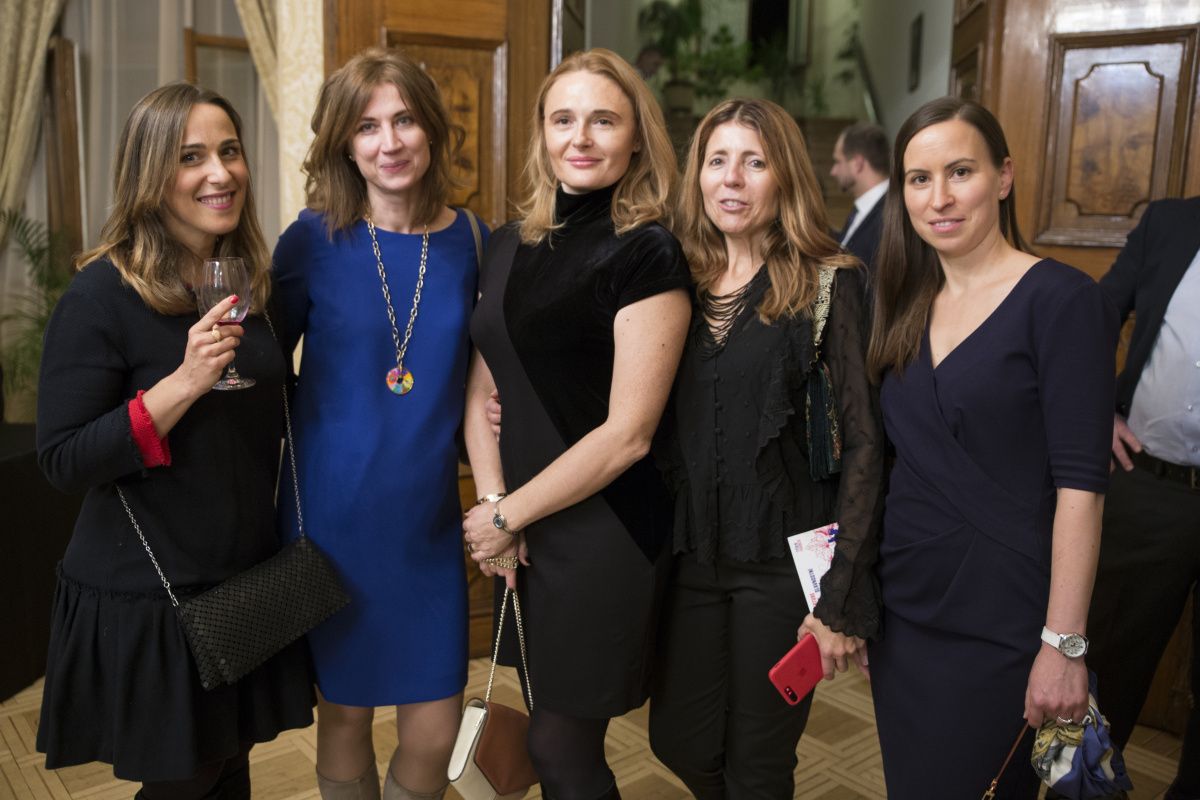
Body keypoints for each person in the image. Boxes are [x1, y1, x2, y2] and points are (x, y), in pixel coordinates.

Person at [35, 82, 314, 799]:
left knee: (230, 771)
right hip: (152, 594)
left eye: (229, 151)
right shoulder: (101, 295)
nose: (220, 173)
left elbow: (270, 411)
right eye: (191, 157)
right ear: (150, 175)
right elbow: (63, 459)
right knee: (187, 782)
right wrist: (184, 383)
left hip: (242, 578)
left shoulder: (254, 290)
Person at [866, 96, 1117, 798]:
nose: (939, 198)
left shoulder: (1062, 300)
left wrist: (1064, 646)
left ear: (1003, 177)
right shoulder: (902, 301)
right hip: (904, 614)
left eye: (961, 172)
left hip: (1004, 621)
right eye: (919, 179)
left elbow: (1082, 490)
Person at [460, 48, 691, 800]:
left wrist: (508, 516)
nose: (580, 137)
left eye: (603, 120)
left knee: (560, 748)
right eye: (563, 119)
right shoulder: (507, 241)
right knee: (548, 732)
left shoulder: (647, 250)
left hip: (602, 529)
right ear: (542, 132)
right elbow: (481, 388)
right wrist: (495, 503)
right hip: (522, 524)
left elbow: (629, 434)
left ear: (637, 138)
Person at [647, 99, 883, 797]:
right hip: (692, 557)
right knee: (679, 741)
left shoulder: (828, 282)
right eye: (717, 160)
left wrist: (841, 595)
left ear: (785, 177)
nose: (732, 179)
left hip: (785, 571)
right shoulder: (674, 281)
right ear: (697, 175)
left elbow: (865, 444)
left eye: (754, 162)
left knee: (759, 763)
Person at [272, 47, 485, 800]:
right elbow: (262, 369)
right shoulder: (310, 241)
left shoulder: (474, 241)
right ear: (344, 143)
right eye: (367, 126)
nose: (389, 142)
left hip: (426, 526)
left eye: (404, 120)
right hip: (331, 522)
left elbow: (488, 376)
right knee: (344, 717)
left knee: (434, 731)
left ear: (432, 130)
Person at [1079, 196, 1199, 800]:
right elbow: (1092, 315)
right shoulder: (1171, 223)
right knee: (1109, 664)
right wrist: (1096, 407)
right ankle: (1082, 789)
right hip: (1148, 483)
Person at [829, 122, 890, 274]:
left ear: (857, 163)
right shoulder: (861, 210)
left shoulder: (893, 212)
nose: (833, 171)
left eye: (838, 161)